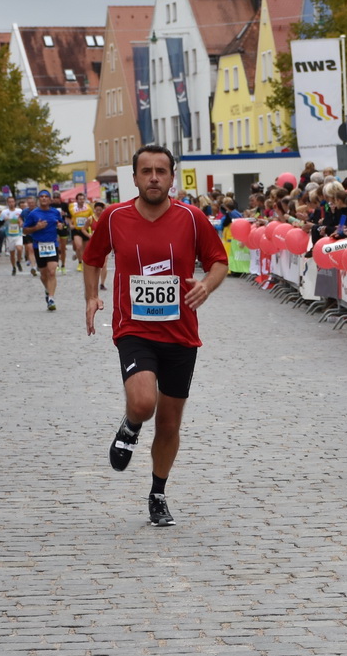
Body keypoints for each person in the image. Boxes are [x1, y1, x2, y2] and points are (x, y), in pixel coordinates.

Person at [83, 145, 228, 527]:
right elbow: (92, 257)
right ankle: (131, 424)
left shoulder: (192, 218)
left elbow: (219, 261)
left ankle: (158, 493)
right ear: (134, 178)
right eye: (145, 171)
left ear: (171, 177)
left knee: (168, 424)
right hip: (134, 329)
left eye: (160, 171)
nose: (153, 178)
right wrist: (92, 297)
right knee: (144, 402)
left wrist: (207, 286)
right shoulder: (114, 217)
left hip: (180, 334)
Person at [22, 192, 64, 308]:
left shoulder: (55, 212)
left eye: (46, 197)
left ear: (50, 199)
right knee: (44, 275)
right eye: (42, 197)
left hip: (52, 245)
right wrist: (36, 227)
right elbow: (25, 231)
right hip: (38, 246)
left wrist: (61, 226)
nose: (44, 198)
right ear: (39, 199)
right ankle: (47, 289)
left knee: (52, 271)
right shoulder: (33, 214)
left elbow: (61, 223)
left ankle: (51, 298)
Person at [67, 191, 98, 266]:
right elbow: (68, 217)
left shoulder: (88, 208)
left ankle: (84, 262)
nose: (81, 200)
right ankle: (80, 263)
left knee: (85, 249)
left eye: (82, 199)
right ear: (76, 200)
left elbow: (92, 217)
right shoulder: (71, 207)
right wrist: (70, 224)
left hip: (85, 230)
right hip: (76, 230)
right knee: (78, 246)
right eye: (80, 199)